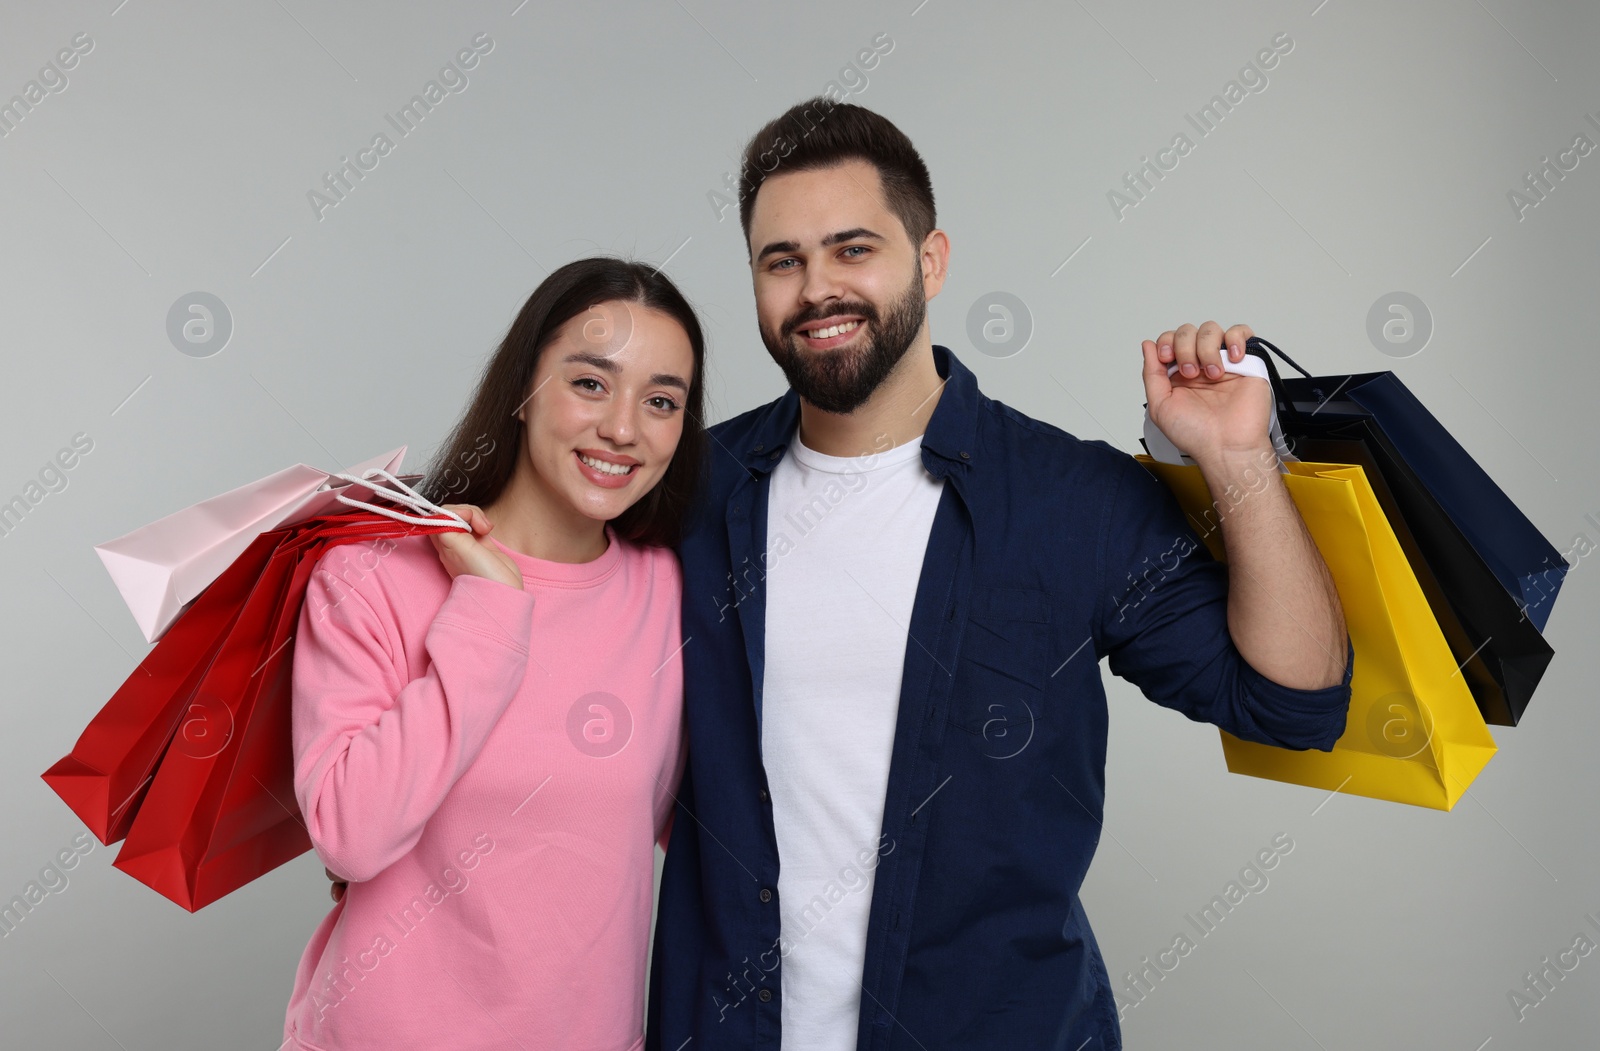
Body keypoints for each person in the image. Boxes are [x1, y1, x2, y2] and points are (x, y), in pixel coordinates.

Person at [644, 99, 1354, 1051]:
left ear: (931, 260)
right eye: (783, 261)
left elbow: (1296, 701)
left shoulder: (1071, 498)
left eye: (853, 249)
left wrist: (1237, 459)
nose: (817, 289)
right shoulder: (686, 491)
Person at [281, 257, 706, 1051]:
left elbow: (703, 833)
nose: (622, 428)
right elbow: (350, 833)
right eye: (590, 383)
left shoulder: (668, 594)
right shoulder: (373, 576)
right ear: (522, 389)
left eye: (661, 401)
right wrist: (490, 610)